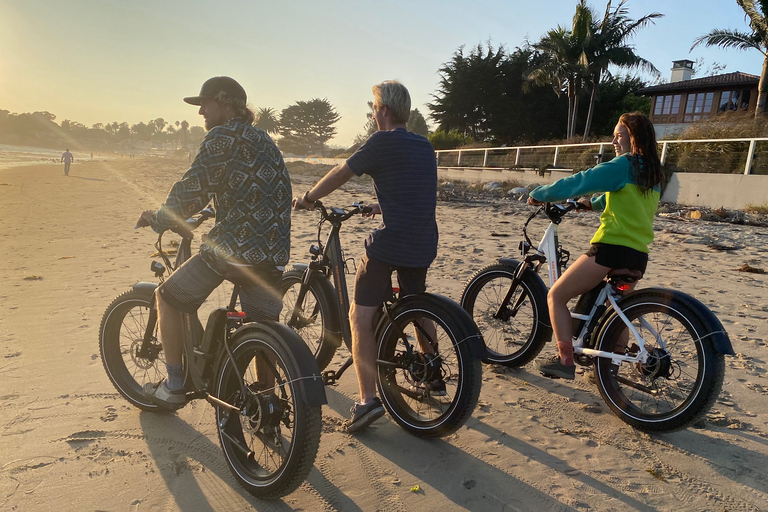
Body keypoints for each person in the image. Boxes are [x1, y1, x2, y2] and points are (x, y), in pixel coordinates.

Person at [135, 76, 291, 406]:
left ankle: (175, 386)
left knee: (167, 297)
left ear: (226, 103)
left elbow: (192, 188)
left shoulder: (223, 136)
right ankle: (267, 398)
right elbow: (248, 188)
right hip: (275, 253)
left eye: (205, 104)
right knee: (263, 327)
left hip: (235, 250)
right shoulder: (264, 140)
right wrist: (212, 208)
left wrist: (159, 217)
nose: (201, 111)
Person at [293, 80, 439, 433]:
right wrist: (381, 204)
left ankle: (367, 401)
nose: (374, 115)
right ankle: (432, 373)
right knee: (414, 301)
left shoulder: (381, 141)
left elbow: (342, 172)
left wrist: (309, 198)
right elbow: (416, 191)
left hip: (392, 242)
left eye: (374, 108)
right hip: (424, 241)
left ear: (384, 111)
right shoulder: (424, 145)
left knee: (358, 317)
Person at [528, 112, 663, 380]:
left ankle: (565, 361)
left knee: (556, 296)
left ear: (632, 138)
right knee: (618, 311)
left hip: (610, 249)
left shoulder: (623, 164)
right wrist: (593, 203)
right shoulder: (653, 173)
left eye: (618, 135)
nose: (613, 140)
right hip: (638, 254)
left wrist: (539, 193)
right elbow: (625, 196)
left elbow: (582, 181)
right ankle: (609, 370)